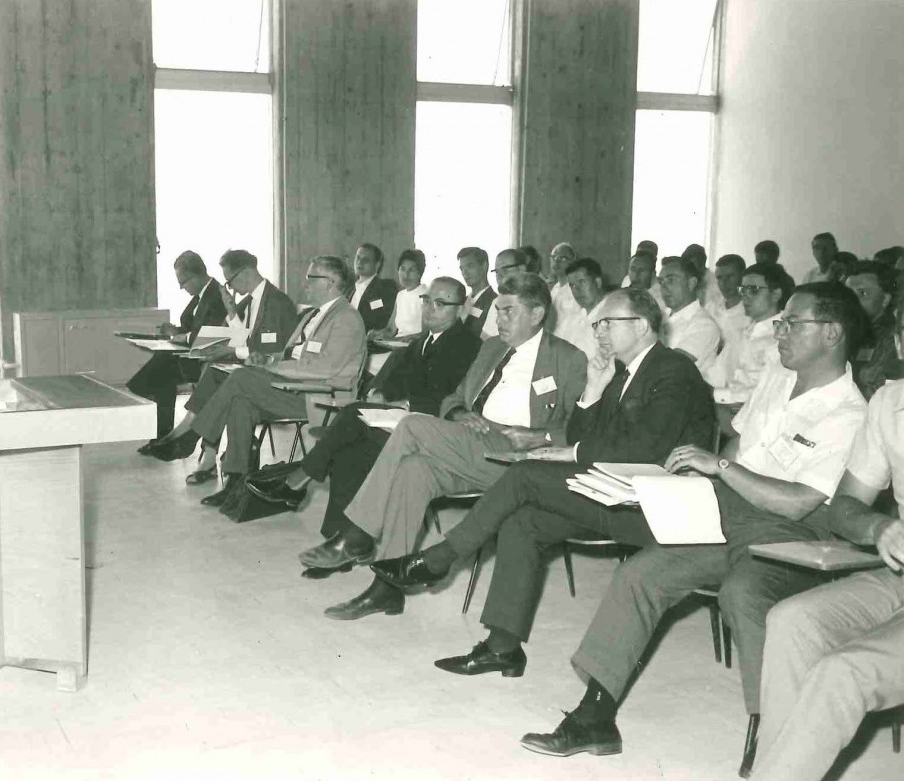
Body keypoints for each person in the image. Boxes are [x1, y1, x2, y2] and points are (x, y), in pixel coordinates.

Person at [517, 283, 868, 771]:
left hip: (789, 535)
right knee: (641, 575)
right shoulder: (777, 377)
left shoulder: (850, 413)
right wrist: (698, 472)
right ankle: (596, 717)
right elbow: (735, 444)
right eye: (782, 321)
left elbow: (795, 504)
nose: (779, 332)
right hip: (726, 510)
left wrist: (719, 470)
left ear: (831, 333)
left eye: (791, 323)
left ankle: (775, 729)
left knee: (745, 592)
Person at [378, 288, 715, 675]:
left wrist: (571, 454)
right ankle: (502, 646)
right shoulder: (622, 372)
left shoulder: (673, 370)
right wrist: (593, 388)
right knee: (523, 520)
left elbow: (646, 446)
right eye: (597, 324)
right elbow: (581, 434)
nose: (600, 332)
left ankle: (441, 558)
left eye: (609, 323)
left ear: (641, 326)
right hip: (613, 491)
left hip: (657, 506)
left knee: (523, 475)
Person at [322, 273, 587, 620]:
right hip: (474, 441)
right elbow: (455, 397)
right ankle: (386, 589)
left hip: (520, 457)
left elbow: (583, 429)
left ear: (537, 314)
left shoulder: (568, 359)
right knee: (412, 471)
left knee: (413, 425)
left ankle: (359, 530)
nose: (499, 319)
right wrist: (461, 412)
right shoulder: (491, 348)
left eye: (509, 311)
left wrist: (541, 436)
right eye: (497, 311)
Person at [752, 317, 904, 779]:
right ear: (899, 341)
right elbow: (845, 508)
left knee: (845, 671)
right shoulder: (890, 403)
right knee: (791, 620)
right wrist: (879, 526)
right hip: (896, 577)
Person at [249, 277, 481, 571]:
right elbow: (396, 371)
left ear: (460, 310)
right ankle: (339, 539)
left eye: (441, 304)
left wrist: (405, 405)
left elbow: (453, 397)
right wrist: (382, 392)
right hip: (402, 419)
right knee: (350, 447)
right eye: (427, 301)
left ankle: (301, 481)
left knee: (353, 421)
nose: (430, 309)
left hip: (432, 428)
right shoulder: (422, 341)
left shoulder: (469, 345)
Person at [155, 256, 366, 507]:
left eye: (311, 278)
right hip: (294, 388)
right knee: (241, 402)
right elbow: (291, 354)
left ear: (331, 282)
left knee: (241, 377)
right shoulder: (314, 315)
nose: (305, 283)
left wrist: (274, 366)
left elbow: (324, 367)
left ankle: (192, 435)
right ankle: (235, 482)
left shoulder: (347, 318)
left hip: (319, 398)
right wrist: (266, 358)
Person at [145, 248, 298, 477]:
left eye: (230, 282)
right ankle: (198, 445)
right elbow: (243, 338)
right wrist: (230, 312)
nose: (231, 289)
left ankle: (190, 437)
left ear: (246, 272)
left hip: (274, 376)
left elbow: (268, 353)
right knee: (215, 370)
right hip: (254, 368)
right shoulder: (249, 301)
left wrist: (230, 350)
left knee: (222, 375)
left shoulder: (276, 302)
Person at [128, 251, 227, 443]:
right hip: (189, 354)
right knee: (160, 376)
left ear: (198, 275)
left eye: (184, 281)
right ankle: (161, 436)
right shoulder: (202, 295)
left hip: (203, 360)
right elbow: (194, 328)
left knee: (154, 377)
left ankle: (162, 435)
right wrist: (176, 331)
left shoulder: (217, 295)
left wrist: (182, 336)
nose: (181, 287)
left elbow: (212, 336)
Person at [709, 264, 793, 406]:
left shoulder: (783, 338)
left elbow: (767, 394)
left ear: (776, 294)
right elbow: (715, 375)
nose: (745, 297)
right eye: (743, 290)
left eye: (753, 290)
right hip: (724, 408)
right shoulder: (742, 333)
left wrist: (714, 394)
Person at [845, 259, 903, 398]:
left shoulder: (895, 342)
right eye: (847, 294)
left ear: (885, 300)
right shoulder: (842, 333)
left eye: (862, 293)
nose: (851, 301)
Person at [659, 255, 722, 374]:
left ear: (691, 283)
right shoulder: (659, 316)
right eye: (661, 281)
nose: (664, 287)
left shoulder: (704, 325)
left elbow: (671, 365)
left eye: (671, 280)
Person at [553, 257, 608, 358]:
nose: (577, 290)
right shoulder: (570, 319)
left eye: (582, 282)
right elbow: (552, 349)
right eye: (572, 285)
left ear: (598, 282)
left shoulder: (611, 318)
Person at [371, 249, 427, 341]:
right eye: (402, 269)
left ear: (419, 273)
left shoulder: (425, 294)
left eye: (411, 270)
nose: (406, 274)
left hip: (414, 347)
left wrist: (399, 340)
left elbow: (425, 334)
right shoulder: (400, 295)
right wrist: (377, 334)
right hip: (397, 344)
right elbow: (391, 329)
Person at [348, 243, 398, 332]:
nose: (360, 262)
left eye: (365, 260)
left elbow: (382, 319)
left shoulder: (385, 288)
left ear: (377, 265)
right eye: (358, 258)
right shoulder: (348, 290)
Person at [482, 249, 530, 338]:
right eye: (497, 271)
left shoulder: (536, 299)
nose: (500, 276)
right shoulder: (497, 302)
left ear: (521, 269)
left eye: (505, 270)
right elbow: (486, 338)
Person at [708, 254, 751, 349]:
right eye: (719, 278)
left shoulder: (752, 312)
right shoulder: (710, 307)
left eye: (730, 276)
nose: (724, 283)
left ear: (743, 276)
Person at [457, 247, 496, 334]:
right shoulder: (461, 300)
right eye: (462, 268)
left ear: (484, 266)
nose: (464, 273)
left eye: (470, 266)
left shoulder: (494, 302)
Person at [547, 242, 579, 332]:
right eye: (553, 257)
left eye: (562, 258)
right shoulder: (554, 289)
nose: (556, 261)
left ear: (573, 263)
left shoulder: (576, 289)